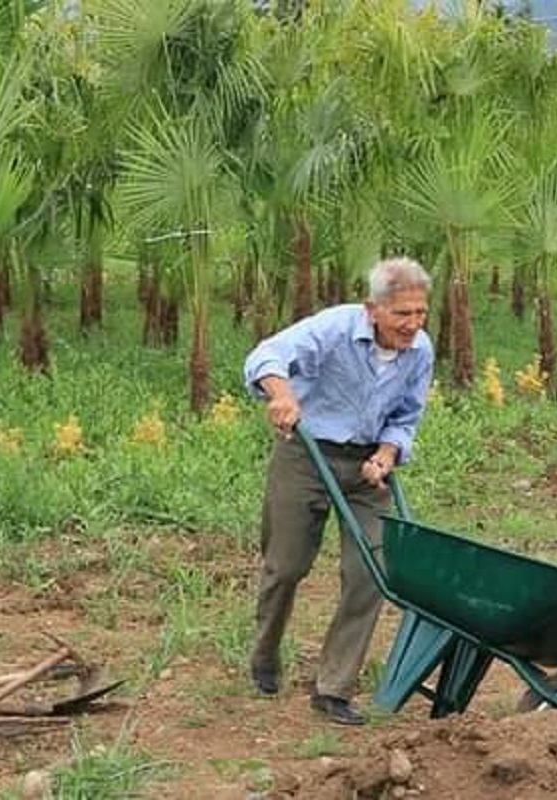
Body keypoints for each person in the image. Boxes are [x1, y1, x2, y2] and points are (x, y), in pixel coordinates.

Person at [243, 256, 434, 726]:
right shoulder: (333, 329)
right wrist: (283, 394)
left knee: (371, 570)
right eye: (402, 314)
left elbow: (407, 417)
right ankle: (265, 653)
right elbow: (266, 355)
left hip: (368, 469)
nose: (412, 325)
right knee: (285, 567)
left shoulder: (420, 350)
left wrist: (388, 454)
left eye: (420, 313)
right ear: (373, 309)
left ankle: (333, 688)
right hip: (307, 454)